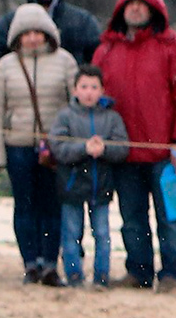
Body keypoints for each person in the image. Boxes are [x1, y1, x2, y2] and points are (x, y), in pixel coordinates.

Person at [91, 0, 176, 292]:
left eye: (142, 3)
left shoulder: (175, 47)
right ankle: (138, 272)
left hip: (167, 154)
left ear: (154, 10)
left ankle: (171, 274)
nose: (136, 8)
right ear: (120, 10)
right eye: (130, 3)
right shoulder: (106, 51)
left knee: (171, 219)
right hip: (124, 155)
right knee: (132, 219)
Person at [0, 3, 79, 285]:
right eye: (27, 32)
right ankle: (30, 263)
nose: (32, 38)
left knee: (51, 206)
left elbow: (74, 105)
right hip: (17, 145)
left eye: (38, 32)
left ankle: (49, 264)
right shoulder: (5, 66)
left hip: (54, 148)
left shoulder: (65, 61)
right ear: (17, 35)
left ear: (48, 33)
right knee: (25, 206)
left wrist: (72, 145)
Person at [50, 65, 129, 289]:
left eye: (94, 87)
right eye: (84, 87)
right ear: (75, 90)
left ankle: (101, 277)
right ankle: (74, 276)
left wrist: (104, 149)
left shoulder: (112, 117)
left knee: (102, 234)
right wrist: (83, 148)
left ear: (102, 90)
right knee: (72, 233)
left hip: (101, 187)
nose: (89, 92)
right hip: (71, 186)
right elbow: (58, 146)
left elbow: (122, 148)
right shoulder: (65, 116)